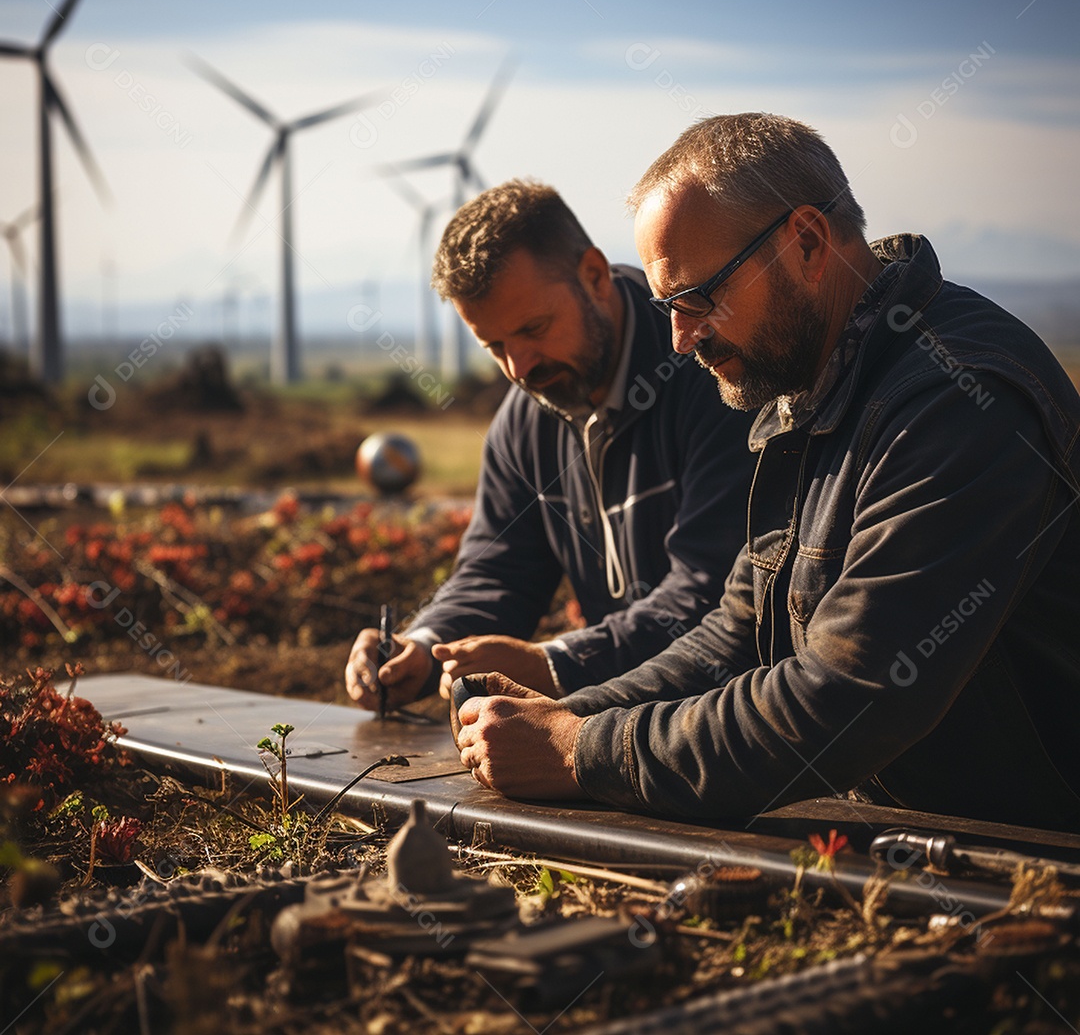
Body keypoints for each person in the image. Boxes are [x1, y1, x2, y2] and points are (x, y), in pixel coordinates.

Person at [454, 114, 1080, 832]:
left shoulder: (956, 400)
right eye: (667, 308)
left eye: (699, 298)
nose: (681, 339)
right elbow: (734, 637)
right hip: (924, 838)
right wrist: (564, 716)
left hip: (1041, 858)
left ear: (808, 243)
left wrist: (580, 751)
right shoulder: (806, 392)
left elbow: (850, 695)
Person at [345, 179, 756, 710]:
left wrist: (556, 665)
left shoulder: (712, 374)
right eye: (494, 347)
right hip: (616, 722)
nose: (520, 368)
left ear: (593, 275)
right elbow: (498, 572)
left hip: (740, 722)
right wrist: (426, 648)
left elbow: (714, 594)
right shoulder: (521, 424)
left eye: (534, 328)